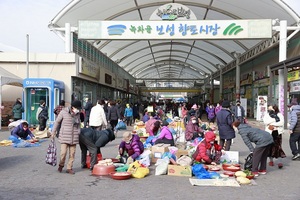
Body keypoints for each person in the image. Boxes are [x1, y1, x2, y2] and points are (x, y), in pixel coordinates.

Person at [51, 100, 82, 175]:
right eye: (77, 108)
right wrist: (53, 132)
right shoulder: (63, 112)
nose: (78, 109)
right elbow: (57, 122)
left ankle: (69, 168)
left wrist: (79, 131)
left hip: (74, 136)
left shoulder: (78, 114)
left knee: (72, 154)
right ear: (73, 107)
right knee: (63, 153)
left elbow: (78, 124)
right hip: (64, 135)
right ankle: (61, 165)